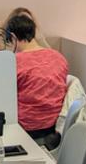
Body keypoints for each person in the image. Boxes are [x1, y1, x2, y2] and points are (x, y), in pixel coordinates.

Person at [6, 12, 69, 146]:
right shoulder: (59, 57)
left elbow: (3, 98)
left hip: (26, 130)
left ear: (12, 37)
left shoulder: (14, 62)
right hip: (55, 129)